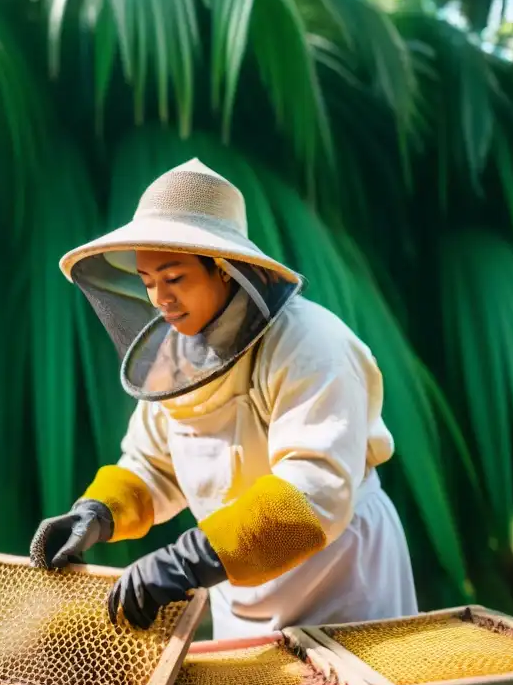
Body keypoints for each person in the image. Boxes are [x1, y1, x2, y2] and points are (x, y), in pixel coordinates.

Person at [28, 158, 419, 639]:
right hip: (238, 577)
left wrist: (190, 559)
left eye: (175, 279)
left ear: (226, 271)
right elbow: (152, 465)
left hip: (339, 577)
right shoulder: (174, 355)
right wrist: (98, 512)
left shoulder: (312, 343)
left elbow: (314, 490)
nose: (160, 300)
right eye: (149, 282)